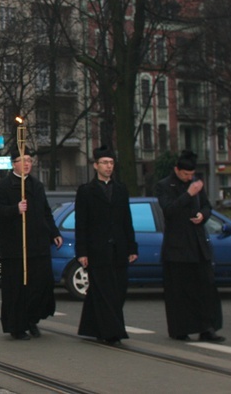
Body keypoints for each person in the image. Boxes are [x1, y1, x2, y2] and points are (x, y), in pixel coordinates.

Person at [155, 150, 225, 342]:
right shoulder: (164, 185)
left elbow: (207, 206)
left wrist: (203, 215)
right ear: (177, 170)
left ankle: (207, 328)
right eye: (185, 174)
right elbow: (169, 210)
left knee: (205, 288)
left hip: (198, 245)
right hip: (177, 248)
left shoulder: (196, 185)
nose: (189, 177)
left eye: (191, 174)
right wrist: (187, 194)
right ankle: (181, 329)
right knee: (179, 291)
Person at [0, 151, 62, 340]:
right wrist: (15, 209)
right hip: (15, 246)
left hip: (38, 244)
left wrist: (54, 232)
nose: (26, 164)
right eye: (22, 161)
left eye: (29, 161)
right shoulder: (3, 186)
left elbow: (45, 212)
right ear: (13, 164)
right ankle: (17, 326)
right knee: (17, 288)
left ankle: (32, 318)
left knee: (40, 284)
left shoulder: (36, 185)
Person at [75, 146, 137, 346]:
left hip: (118, 248)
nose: (108, 166)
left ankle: (93, 327)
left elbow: (127, 220)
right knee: (104, 291)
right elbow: (81, 224)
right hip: (97, 250)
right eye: (104, 163)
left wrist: (132, 247)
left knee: (118, 290)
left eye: (111, 163)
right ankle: (113, 332)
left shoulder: (120, 189)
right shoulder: (86, 191)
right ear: (96, 166)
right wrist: (82, 251)